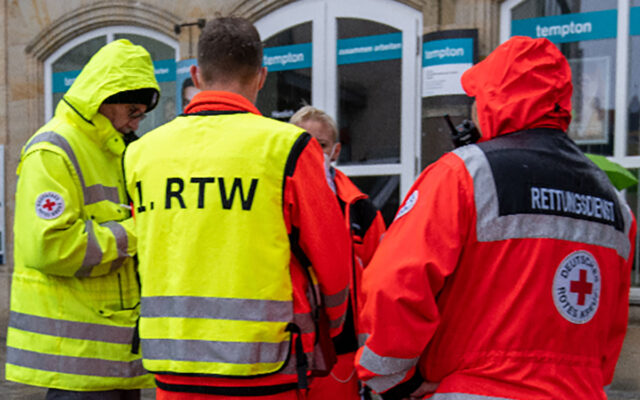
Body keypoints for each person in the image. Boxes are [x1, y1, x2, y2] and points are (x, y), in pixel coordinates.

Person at [355, 36, 636, 400]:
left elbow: (395, 285)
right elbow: (610, 324)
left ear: (493, 96)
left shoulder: (463, 174)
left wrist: (392, 380)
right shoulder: (615, 204)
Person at [123, 17, 350, 400]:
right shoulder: (288, 148)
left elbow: (144, 245)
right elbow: (331, 257)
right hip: (264, 363)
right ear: (262, 77)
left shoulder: (141, 152)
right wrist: (338, 331)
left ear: (195, 74)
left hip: (173, 365)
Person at [5, 39, 160, 399]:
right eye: (133, 110)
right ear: (105, 99)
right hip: (77, 363)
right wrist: (138, 231)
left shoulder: (114, 149)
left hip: (114, 357)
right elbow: (51, 247)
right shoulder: (53, 150)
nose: (136, 121)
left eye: (141, 114)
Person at [290, 106, 386, 400]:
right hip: (285, 348)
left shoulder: (359, 208)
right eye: (303, 143)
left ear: (336, 151)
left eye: (320, 145)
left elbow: (382, 278)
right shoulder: (270, 200)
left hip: (340, 352)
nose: (313, 152)